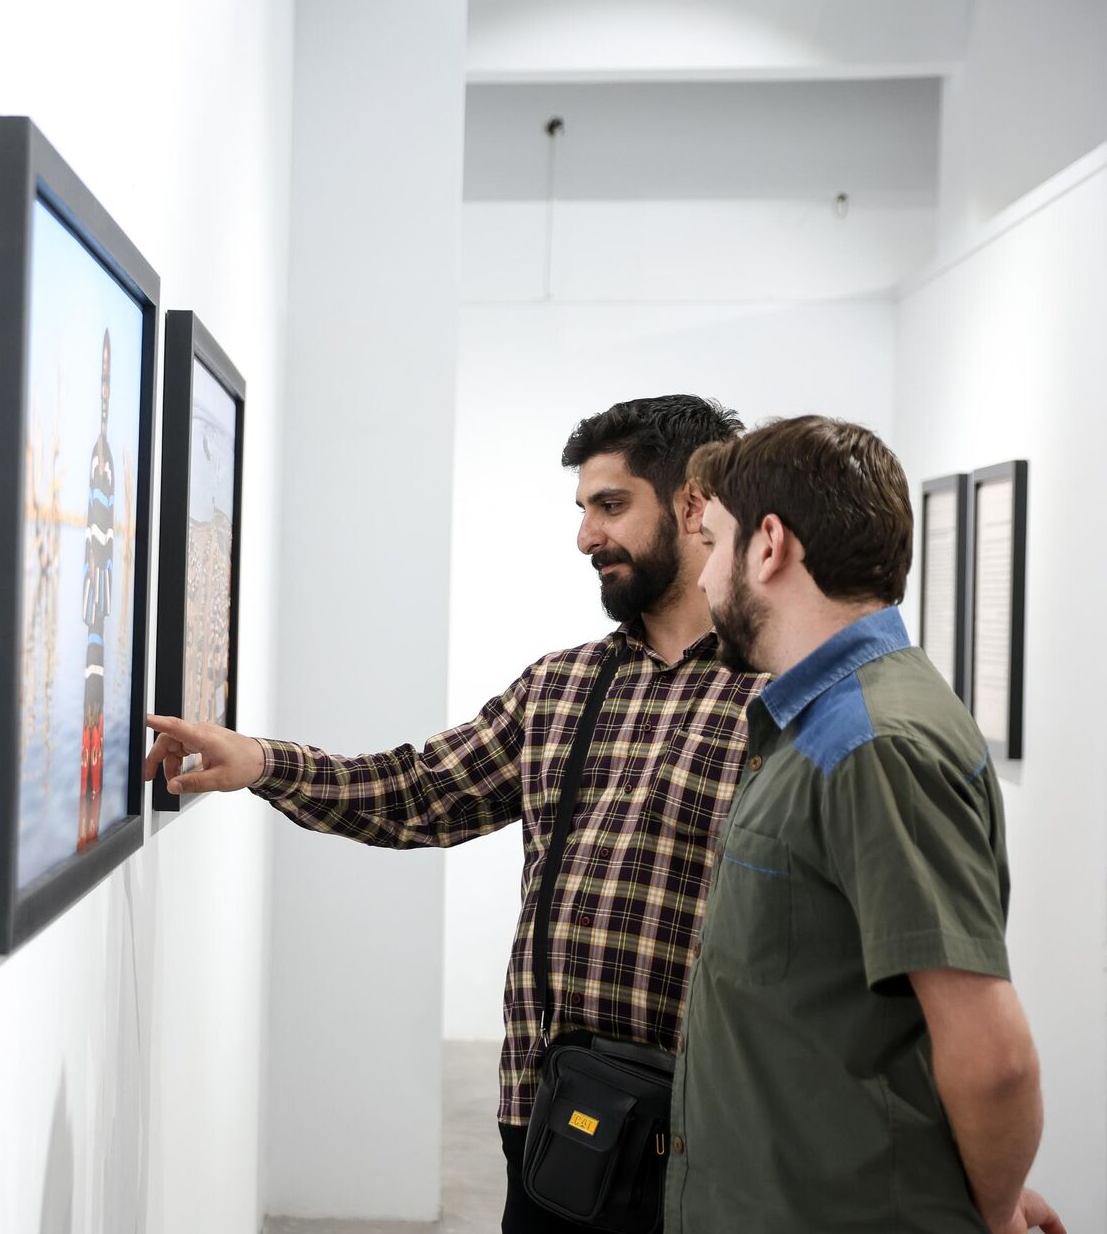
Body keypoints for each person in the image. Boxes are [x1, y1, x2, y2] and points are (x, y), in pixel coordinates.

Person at [143, 395, 761, 1232]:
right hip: (554, 1115)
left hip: (709, 1139)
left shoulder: (777, 696)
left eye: (611, 506)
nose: (586, 538)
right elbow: (419, 792)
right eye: (582, 511)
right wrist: (261, 761)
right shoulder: (561, 685)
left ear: (693, 506)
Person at [669, 417, 1061, 1233]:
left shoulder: (870, 745)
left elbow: (995, 1060)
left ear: (769, 545)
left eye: (714, 542)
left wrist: (994, 1214)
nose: (704, 575)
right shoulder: (830, 722)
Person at [79, 330, 118, 849]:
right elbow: (95, 530)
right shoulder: (98, 454)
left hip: (99, 605)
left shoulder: (105, 455)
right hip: (94, 607)